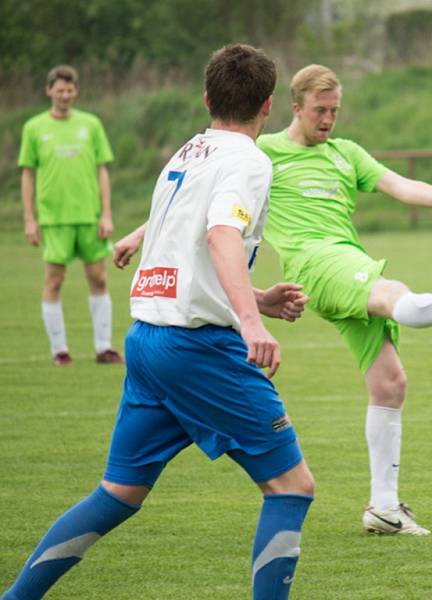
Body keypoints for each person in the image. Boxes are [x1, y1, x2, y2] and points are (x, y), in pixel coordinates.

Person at [2, 44, 315, 600]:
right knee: (291, 487)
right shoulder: (249, 160)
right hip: (199, 348)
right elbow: (221, 235)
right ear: (269, 105)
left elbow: (190, 243)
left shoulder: (188, 150)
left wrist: (257, 298)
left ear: (206, 99)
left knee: (119, 492)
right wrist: (251, 323)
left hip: (150, 338)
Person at [257, 64, 432, 536]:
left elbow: (402, 186)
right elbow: (203, 194)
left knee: (390, 383)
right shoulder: (264, 153)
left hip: (345, 261)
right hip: (315, 266)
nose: (328, 120)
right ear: (295, 108)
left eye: (335, 111)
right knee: (397, 295)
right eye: (320, 111)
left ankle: (383, 508)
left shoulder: (346, 154)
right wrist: (142, 234)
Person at [19, 64, 124, 366]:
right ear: (49, 90)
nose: (64, 95)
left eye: (69, 90)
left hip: (89, 217)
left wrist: (106, 214)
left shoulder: (90, 125)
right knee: (54, 280)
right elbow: (28, 174)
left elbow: (101, 170)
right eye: (59, 90)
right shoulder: (34, 128)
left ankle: (104, 348)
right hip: (54, 219)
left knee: (99, 278)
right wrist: (29, 218)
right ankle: (59, 350)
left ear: (76, 91)